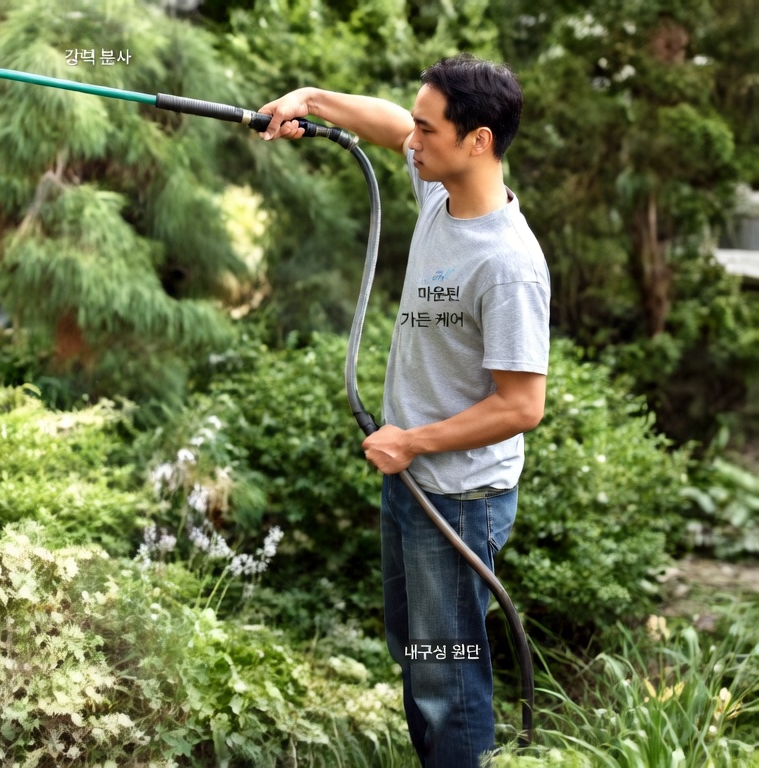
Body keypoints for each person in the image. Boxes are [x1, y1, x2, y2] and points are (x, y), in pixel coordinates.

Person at [257, 54, 550, 768]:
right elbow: (389, 127)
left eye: (428, 129)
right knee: (420, 654)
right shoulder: (440, 193)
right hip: (412, 480)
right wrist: (312, 96)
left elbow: (522, 405)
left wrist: (412, 442)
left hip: (458, 495)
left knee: (447, 676)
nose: (410, 143)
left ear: (477, 140)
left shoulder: (507, 265)